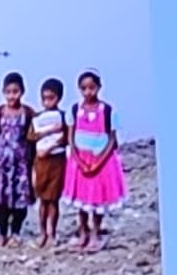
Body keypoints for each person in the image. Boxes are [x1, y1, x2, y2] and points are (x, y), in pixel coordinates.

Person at [63, 72, 124, 245]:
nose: (88, 92)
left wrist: (99, 162)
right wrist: (78, 160)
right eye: (84, 88)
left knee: (98, 198)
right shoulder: (75, 110)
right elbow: (70, 138)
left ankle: (96, 232)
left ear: (98, 87)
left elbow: (112, 139)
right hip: (80, 159)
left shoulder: (107, 111)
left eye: (92, 87)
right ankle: (83, 230)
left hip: (101, 159)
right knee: (81, 199)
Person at [0, 72, 34, 243]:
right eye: (8, 92)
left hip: (21, 164)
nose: (12, 95)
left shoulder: (27, 113)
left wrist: (32, 163)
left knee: (20, 200)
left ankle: (16, 231)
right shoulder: (0, 112)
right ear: (3, 92)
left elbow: (31, 139)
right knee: (2, 199)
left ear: (22, 91)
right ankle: (2, 231)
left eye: (15, 91)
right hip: (3, 163)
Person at [31, 76, 70, 243]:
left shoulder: (63, 116)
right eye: (44, 98)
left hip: (56, 160)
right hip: (41, 162)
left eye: (51, 98)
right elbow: (31, 136)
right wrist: (47, 132)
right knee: (42, 199)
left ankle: (52, 232)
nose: (47, 102)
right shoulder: (37, 117)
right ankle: (42, 233)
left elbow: (67, 138)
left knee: (53, 199)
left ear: (59, 98)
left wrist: (51, 148)